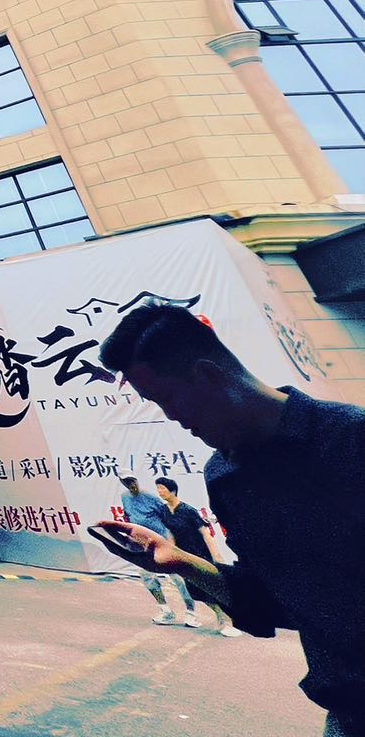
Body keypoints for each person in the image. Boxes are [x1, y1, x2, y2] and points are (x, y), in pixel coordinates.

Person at [93, 304, 365, 737]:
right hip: (349, 713)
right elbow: (272, 599)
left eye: (167, 399)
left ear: (207, 375)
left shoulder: (351, 439)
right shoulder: (225, 478)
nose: (171, 417)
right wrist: (178, 560)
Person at [152, 476, 241, 636]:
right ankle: (221, 617)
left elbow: (205, 533)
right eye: (158, 488)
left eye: (163, 489)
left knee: (212, 588)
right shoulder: (164, 511)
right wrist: (172, 556)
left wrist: (216, 555)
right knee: (196, 591)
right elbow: (170, 534)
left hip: (201, 555)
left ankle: (228, 621)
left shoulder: (188, 510)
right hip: (184, 558)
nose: (160, 492)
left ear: (173, 491)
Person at [117, 474, 200, 627]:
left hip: (163, 542)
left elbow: (167, 516)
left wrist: (175, 540)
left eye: (132, 481)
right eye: (127, 482)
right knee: (147, 576)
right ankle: (166, 611)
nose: (131, 484)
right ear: (122, 482)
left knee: (178, 577)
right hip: (144, 545)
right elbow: (129, 516)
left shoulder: (151, 498)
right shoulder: (125, 497)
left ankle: (191, 613)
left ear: (136, 480)